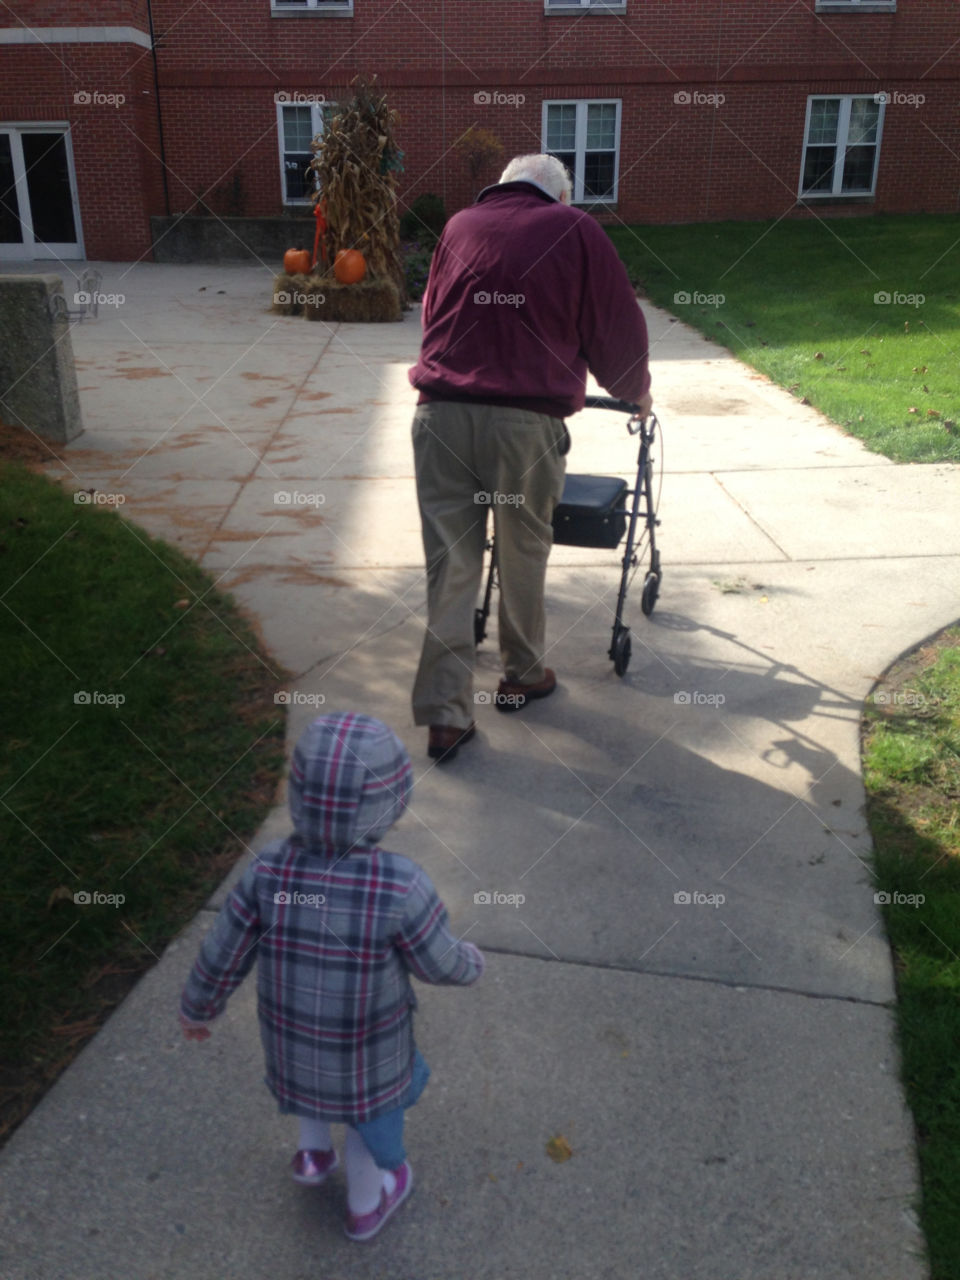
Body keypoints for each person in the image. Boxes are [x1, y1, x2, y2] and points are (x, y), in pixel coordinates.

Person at [178, 712, 484, 1242]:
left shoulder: (268, 872)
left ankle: (313, 1155)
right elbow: (438, 962)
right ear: (392, 801)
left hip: (292, 1042)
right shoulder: (400, 885)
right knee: (365, 1122)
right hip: (367, 1054)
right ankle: (368, 1204)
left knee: (311, 1089)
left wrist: (198, 1006)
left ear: (298, 789)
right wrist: (472, 963)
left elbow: (224, 948)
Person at [408, 152, 653, 763]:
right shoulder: (575, 230)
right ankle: (521, 674)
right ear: (559, 195)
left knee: (452, 563)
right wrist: (636, 392)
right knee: (522, 549)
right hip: (522, 424)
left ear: (506, 185)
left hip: (438, 414)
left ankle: (445, 716)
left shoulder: (460, 225)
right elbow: (613, 327)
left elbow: (434, 312)